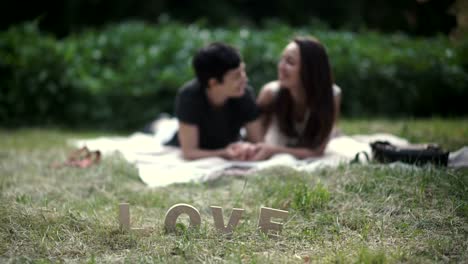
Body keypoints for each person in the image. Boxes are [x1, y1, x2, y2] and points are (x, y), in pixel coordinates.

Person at [165, 42, 262, 160]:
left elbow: (257, 141)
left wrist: (246, 148)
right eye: (237, 76)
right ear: (213, 83)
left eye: (243, 71)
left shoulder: (244, 94)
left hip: (228, 145)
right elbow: (189, 152)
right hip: (190, 147)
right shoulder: (189, 96)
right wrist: (224, 153)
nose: (245, 79)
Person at [252, 36, 341, 160]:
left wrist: (273, 150)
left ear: (310, 69)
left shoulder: (332, 95)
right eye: (281, 60)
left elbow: (318, 151)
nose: (281, 67)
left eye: (290, 62)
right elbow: (256, 142)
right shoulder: (270, 93)